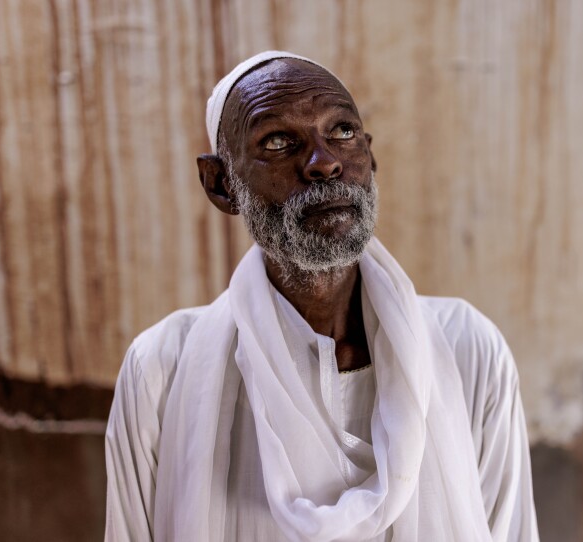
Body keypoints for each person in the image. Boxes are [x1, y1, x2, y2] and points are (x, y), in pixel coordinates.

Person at [104, 50, 539, 542]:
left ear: (370, 156)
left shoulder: (466, 349)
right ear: (221, 184)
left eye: (342, 132)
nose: (323, 162)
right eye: (277, 140)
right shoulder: (162, 368)